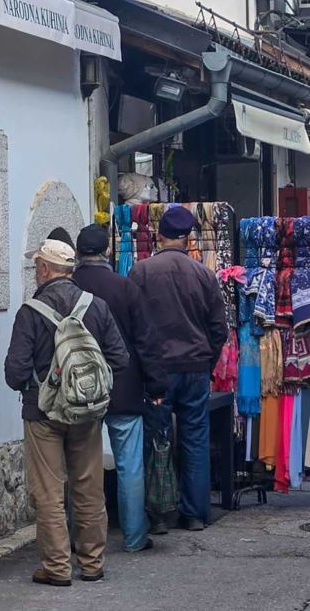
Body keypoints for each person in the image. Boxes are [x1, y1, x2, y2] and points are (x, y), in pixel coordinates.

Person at [5, 239, 129, 586]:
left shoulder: (30, 312)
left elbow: (15, 372)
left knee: (48, 493)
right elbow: (120, 359)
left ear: (45, 269)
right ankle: (92, 563)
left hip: (43, 414)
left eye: (36, 266)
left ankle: (57, 567)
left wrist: (39, 383)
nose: (35, 271)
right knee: (88, 488)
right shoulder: (97, 307)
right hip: (86, 412)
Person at [129, 206, 228, 532]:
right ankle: (194, 513)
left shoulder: (141, 273)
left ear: (159, 236)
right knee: (195, 439)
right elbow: (219, 329)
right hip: (195, 366)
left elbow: (132, 325)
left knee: (157, 438)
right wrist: (206, 362)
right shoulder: (204, 275)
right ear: (188, 239)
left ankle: (158, 513)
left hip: (156, 369)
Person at [73, 223, 167, 553]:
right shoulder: (125, 287)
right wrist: (156, 385)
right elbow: (146, 340)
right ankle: (134, 536)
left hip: (79, 390)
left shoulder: (69, 288)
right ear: (108, 251)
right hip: (123, 385)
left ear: (77, 253)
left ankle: (82, 537)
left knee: (82, 466)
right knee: (130, 465)